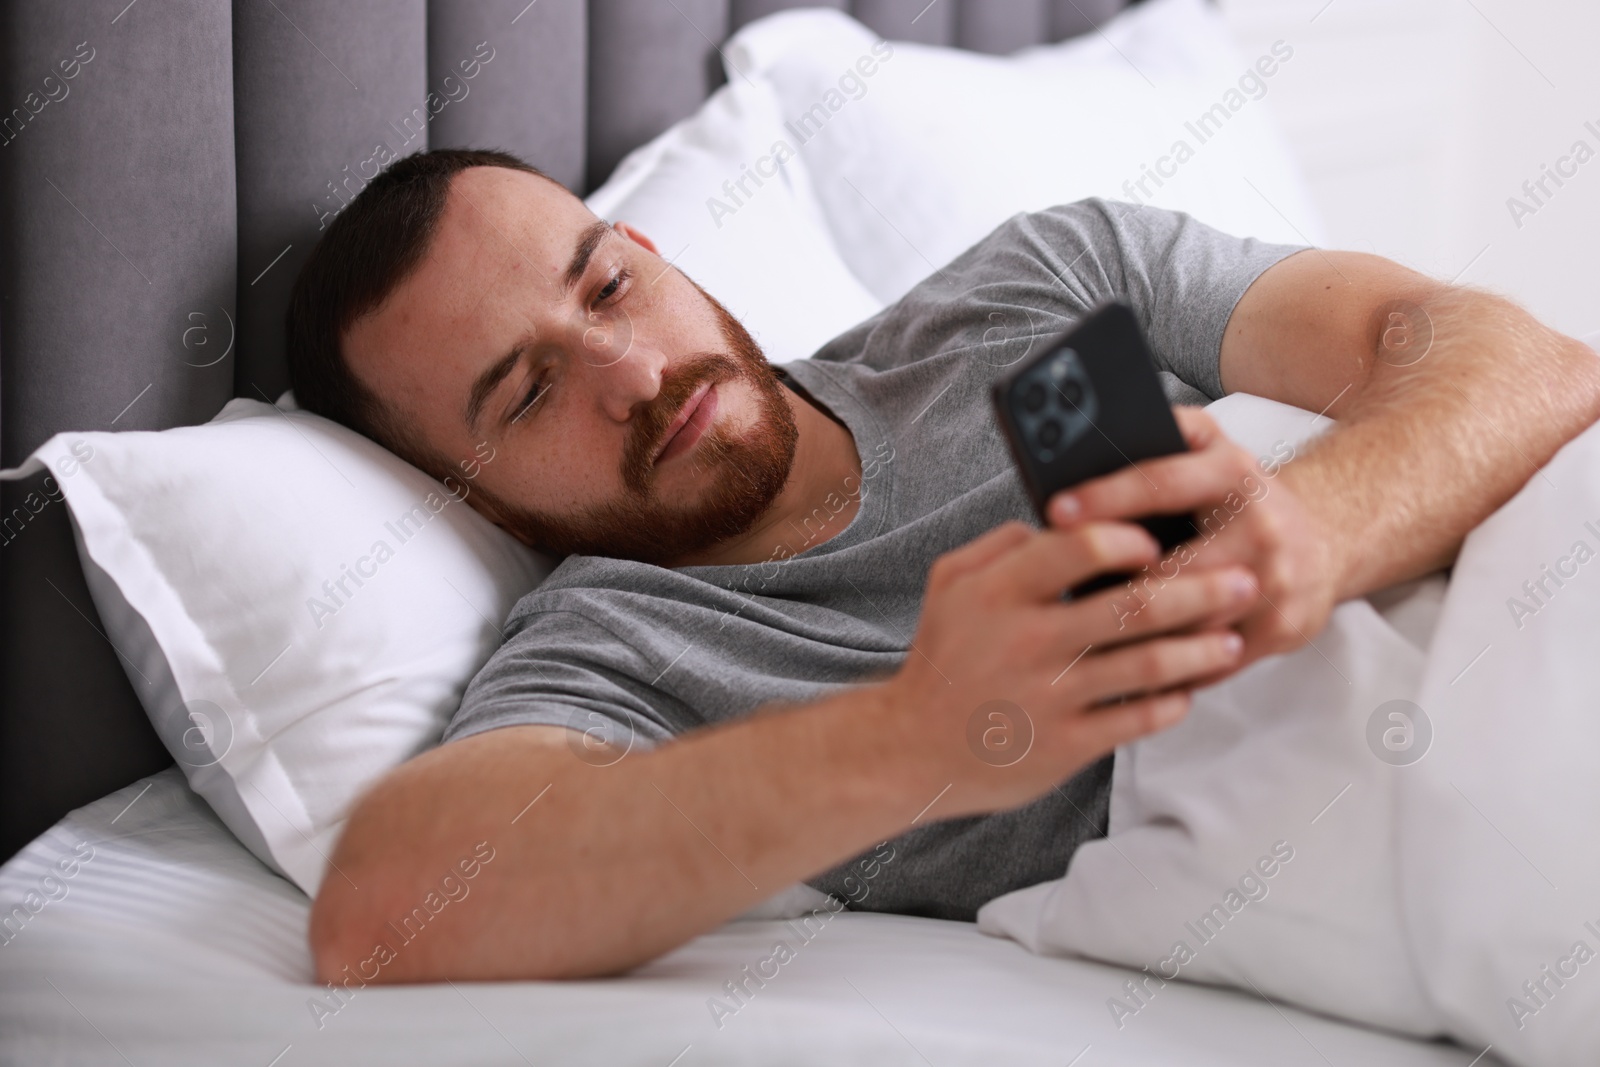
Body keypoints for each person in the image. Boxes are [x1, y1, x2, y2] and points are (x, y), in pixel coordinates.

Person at [287, 148, 1600, 984]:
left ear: (659, 256)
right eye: (527, 399)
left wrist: (1312, 530)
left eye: (609, 288)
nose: (630, 378)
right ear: (479, 502)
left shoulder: (1040, 286)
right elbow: (384, 911)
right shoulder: (612, 648)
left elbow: (1513, 359)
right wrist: (928, 734)